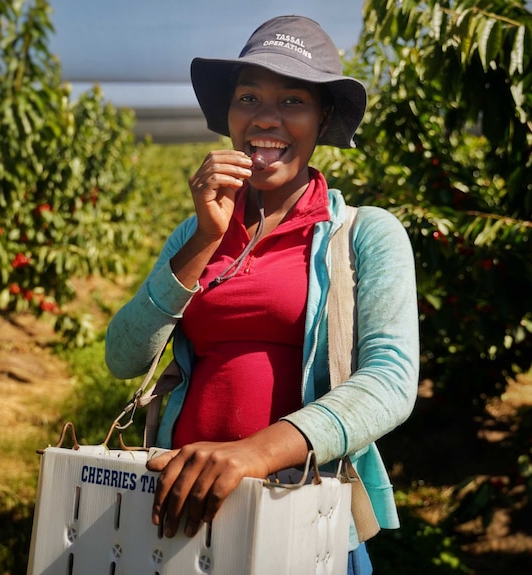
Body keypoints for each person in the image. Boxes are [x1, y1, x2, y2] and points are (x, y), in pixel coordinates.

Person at [105, 14, 419, 574]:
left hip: (301, 515)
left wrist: (254, 453)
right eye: (248, 96)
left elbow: (389, 379)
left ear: (323, 119)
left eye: (293, 101)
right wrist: (204, 238)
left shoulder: (364, 233)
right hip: (181, 513)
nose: (265, 118)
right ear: (228, 116)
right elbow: (123, 357)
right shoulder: (197, 231)